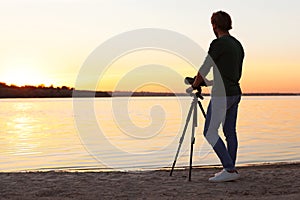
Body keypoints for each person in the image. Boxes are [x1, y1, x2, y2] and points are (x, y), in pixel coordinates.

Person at [191, 11, 244, 182]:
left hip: (222, 95)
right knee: (230, 131)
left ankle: (229, 169)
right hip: (235, 93)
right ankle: (231, 169)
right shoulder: (237, 45)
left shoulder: (218, 43)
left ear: (214, 25)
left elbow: (205, 66)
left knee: (209, 132)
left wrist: (195, 84)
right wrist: (205, 83)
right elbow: (229, 75)